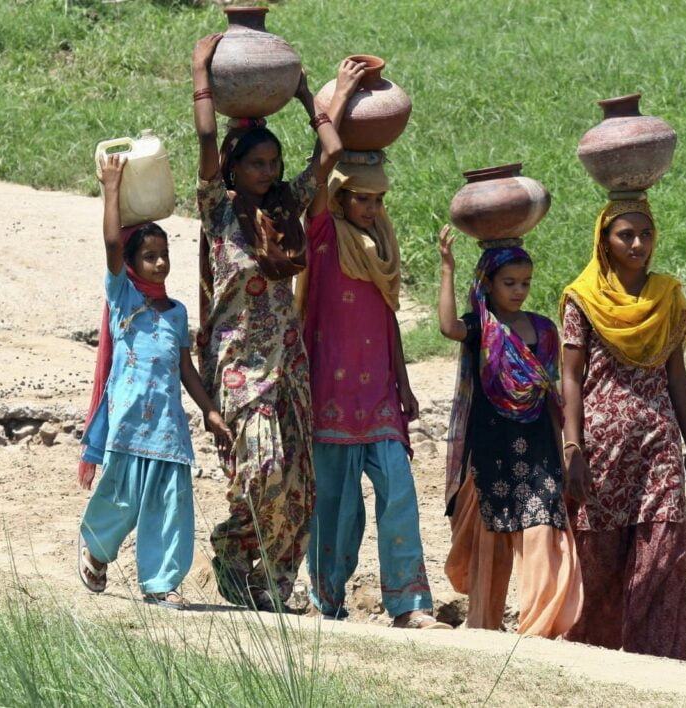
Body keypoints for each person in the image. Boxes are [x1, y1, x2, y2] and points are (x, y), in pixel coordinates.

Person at [191, 34, 360, 612]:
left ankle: (267, 583)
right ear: (233, 170)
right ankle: (233, 551)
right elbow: (208, 136)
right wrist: (200, 73)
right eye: (256, 163)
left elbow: (331, 153)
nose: (267, 172)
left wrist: (307, 92)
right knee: (260, 472)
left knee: (298, 483)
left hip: (286, 361)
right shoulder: (218, 209)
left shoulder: (286, 207)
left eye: (273, 162)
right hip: (238, 364)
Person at [77, 153, 233, 610]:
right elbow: (110, 244)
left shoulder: (176, 312)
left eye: (164, 255)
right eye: (149, 257)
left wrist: (209, 409)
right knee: (121, 500)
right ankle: (96, 552)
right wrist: (111, 190)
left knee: (170, 507)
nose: (160, 263)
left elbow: (184, 367)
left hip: (168, 430)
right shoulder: (123, 299)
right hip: (128, 425)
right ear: (130, 265)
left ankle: (160, 584)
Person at [299, 146, 445, 629]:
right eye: (362, 199)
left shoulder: (382, 244)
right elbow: (314, 189)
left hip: (379, 392)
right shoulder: (322, 238)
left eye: (378, 200)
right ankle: (326, 601)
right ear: (340, 199)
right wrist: (327, 122)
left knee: (399, 493)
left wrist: (403, 380)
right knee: (337, 506)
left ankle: (409, 604)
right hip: (332, 394)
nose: (372, 209)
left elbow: (388, 317)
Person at [559, 196, 686, 658]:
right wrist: (572, 447)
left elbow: (676, 374)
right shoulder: (582, 297)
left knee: (663, 550)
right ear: (604, 240)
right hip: (602, 447)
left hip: (658, 440)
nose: (638, 243)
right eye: (626, 235)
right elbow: (571, 377)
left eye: (645, 234)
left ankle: (657, 659)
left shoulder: (667, 295)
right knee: (598, 559)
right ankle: (593, 658)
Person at [438, 227, 583, 637]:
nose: (519, 291)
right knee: (494, 535)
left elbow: (555, 397)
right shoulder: (481, 329)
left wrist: (568, 452)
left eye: (525, 283)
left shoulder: (545, 330)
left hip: (538, 448)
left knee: (542, 528)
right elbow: (448, 327)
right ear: (487, 284)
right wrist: (447, 268)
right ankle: (482, 624)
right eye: (509, 284)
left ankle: (541, 629)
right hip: (491, 449)